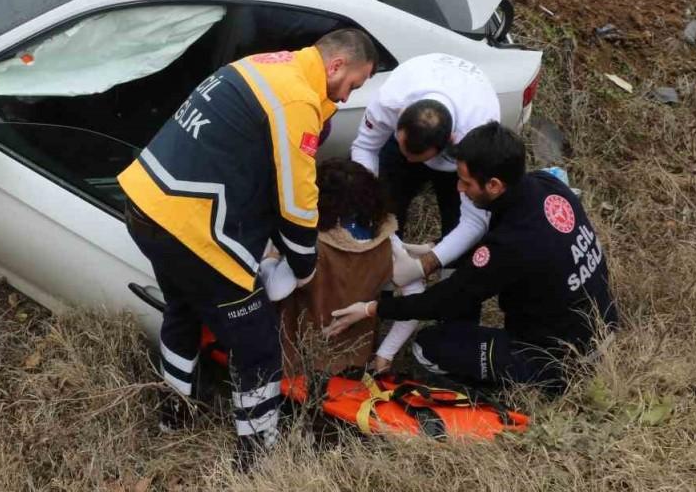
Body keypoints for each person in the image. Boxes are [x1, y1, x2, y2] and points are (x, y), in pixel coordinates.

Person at [118, 29, 378, 466]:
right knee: (257, 345)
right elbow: (297, 200)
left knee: (184, 308)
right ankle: (257, 456)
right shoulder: (297, 100)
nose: (352, 92)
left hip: (145, 204)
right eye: (355, 82)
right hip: (188, 230)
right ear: (336, 66)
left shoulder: (267, 65)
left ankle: (174, 414)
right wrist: (304, 263)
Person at [333, 122, 617, 392]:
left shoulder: (512, 244)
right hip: (602, 325)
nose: (458, 189)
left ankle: (512, 387)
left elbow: (443, 301)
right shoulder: (548, 186)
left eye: (465, 183)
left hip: (560, 357)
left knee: (429, 346)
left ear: (494, 185)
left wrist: (372, 309)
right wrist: (434, 248)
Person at [349, 53, 501, 292]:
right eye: (404, 151)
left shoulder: (477, 133)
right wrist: (376, 205)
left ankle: (454, 313)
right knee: (385, 209)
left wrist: (427, 264)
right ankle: (382, 296)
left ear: (448, 144)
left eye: (416, 158)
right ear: (399, 115)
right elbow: (364, 147)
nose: (408, 161)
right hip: (414, 125)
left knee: (458, 230)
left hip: (462, 147)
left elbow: (475, 221)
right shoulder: (391, 98)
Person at [265, 158, 422, 377]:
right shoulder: (388, 242)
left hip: (299, 359)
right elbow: (416, 299)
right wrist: (386, 352)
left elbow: (275, 290)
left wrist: (270, 258)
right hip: (357, 358)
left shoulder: (308, 244)